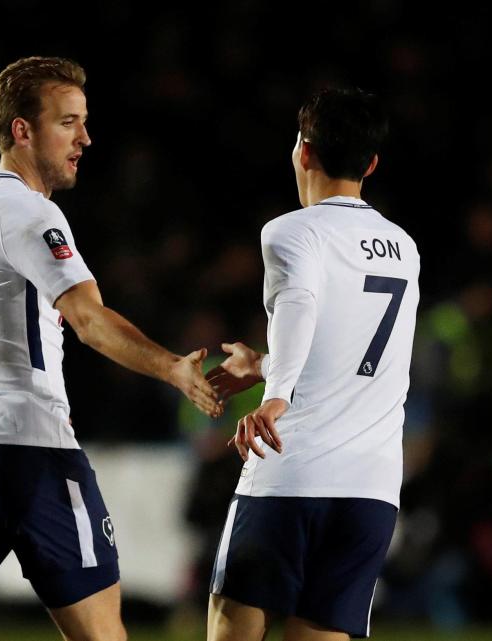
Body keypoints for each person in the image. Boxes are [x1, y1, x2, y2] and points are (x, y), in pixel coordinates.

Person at [0, 56, 220, 641]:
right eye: (68, 123)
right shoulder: (30, 211)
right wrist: (173, 367)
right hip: (28, 451)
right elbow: (89, 320)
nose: (85, 139)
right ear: (22, 130)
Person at [204, 87, 420, 640]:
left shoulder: (290, 231)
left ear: (303, 151)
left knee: (232, 627)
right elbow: (356, 356)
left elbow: (296, 304)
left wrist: (275, 394)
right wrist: (268, 366)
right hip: (370, 489)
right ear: (371, 163)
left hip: (291, 472)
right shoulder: (404, 246)